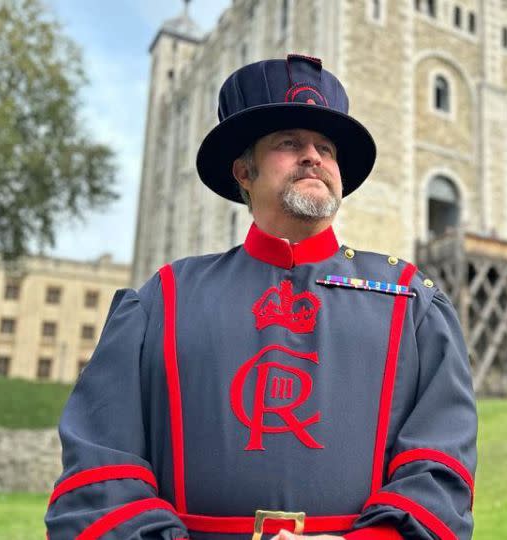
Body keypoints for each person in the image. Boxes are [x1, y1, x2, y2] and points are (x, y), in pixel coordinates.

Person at [45, 54, 477, 540]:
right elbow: (100, 471)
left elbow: (441, 467)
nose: (313, 157)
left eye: (326, 148)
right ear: (243, 172)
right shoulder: (163, 301)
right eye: (289, 143)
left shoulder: (412, 302)